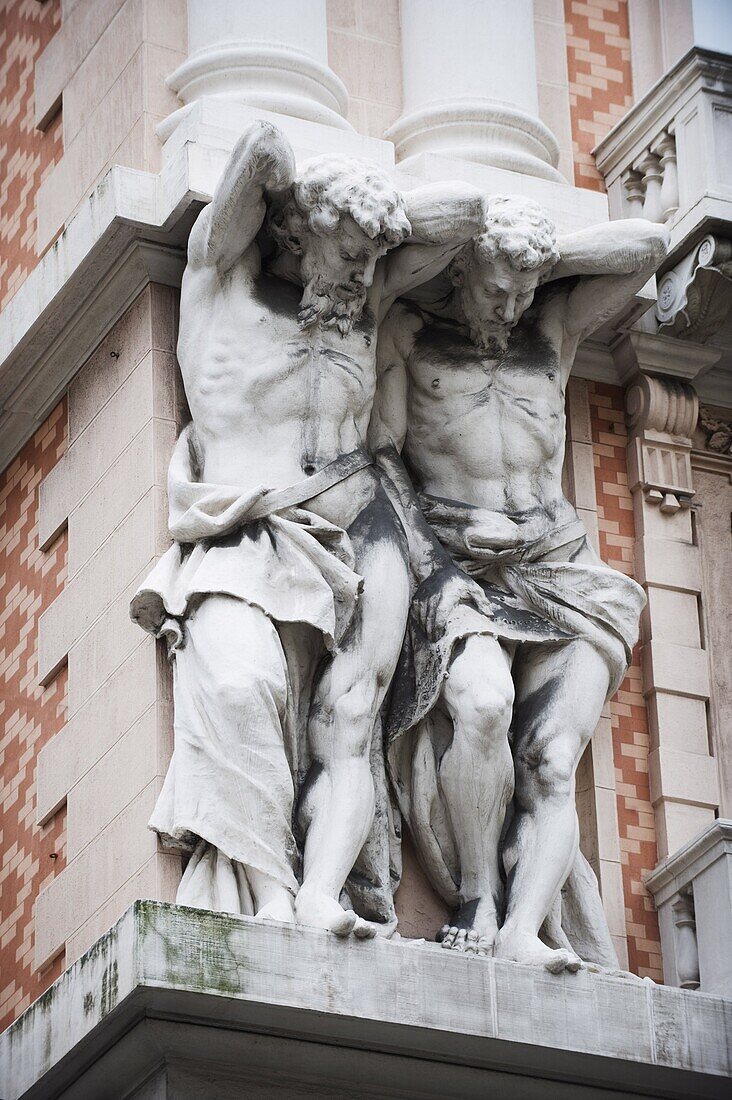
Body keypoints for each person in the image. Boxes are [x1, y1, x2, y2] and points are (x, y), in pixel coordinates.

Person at [131, 121, 488, 936]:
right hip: (246, 530)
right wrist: (314, 191)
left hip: (362, 527)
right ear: (295, 229)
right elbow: (257, 147)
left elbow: (465, 211)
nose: (364, 273)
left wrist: (368, 218)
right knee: (238, 683)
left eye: (373, 258)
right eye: (348, 254)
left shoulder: (367, 303)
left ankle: (322, 894)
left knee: (350, 725)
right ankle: (266, 890)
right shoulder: (221, 284)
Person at [371, 195, 668, 969]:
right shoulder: (410, 333)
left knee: (551, 760)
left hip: (561, 570)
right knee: (484, 707)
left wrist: (535, 252)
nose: (508, 306)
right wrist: (429, 573)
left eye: (522, 292)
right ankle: (477, 890)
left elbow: (648, 242)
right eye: (494, 289)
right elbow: (383, 462)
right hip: (459, 564)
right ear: (462, 275)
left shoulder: (551, 334)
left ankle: (522, 931)